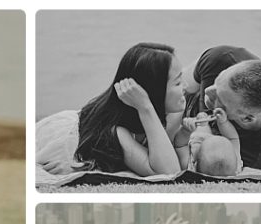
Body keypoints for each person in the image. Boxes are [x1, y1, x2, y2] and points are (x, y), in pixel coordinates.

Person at [72, 42, 189, 176]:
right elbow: (169, 172)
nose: (185, 86)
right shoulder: (114, 131)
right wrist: (145, 107)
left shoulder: (169, 113)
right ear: (155, 90)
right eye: (178, 83)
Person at [182, 45, 261, 170]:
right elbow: (178, 87)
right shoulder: (222, 59)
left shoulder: (259, 158)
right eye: (217, 82)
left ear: (246, 118)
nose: (208, 91)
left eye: (220, 100)